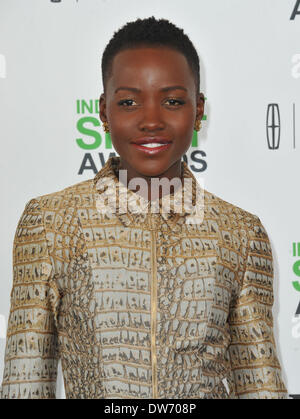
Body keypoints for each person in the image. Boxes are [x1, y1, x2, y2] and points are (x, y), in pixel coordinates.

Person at [0, 16, 287, 399]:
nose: (151, 121)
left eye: (172, 101)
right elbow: (24, 384)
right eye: (129, 102)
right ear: (103, 112)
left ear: (198, 109)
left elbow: (261, 387)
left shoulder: (240, 232)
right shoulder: (51, 223)